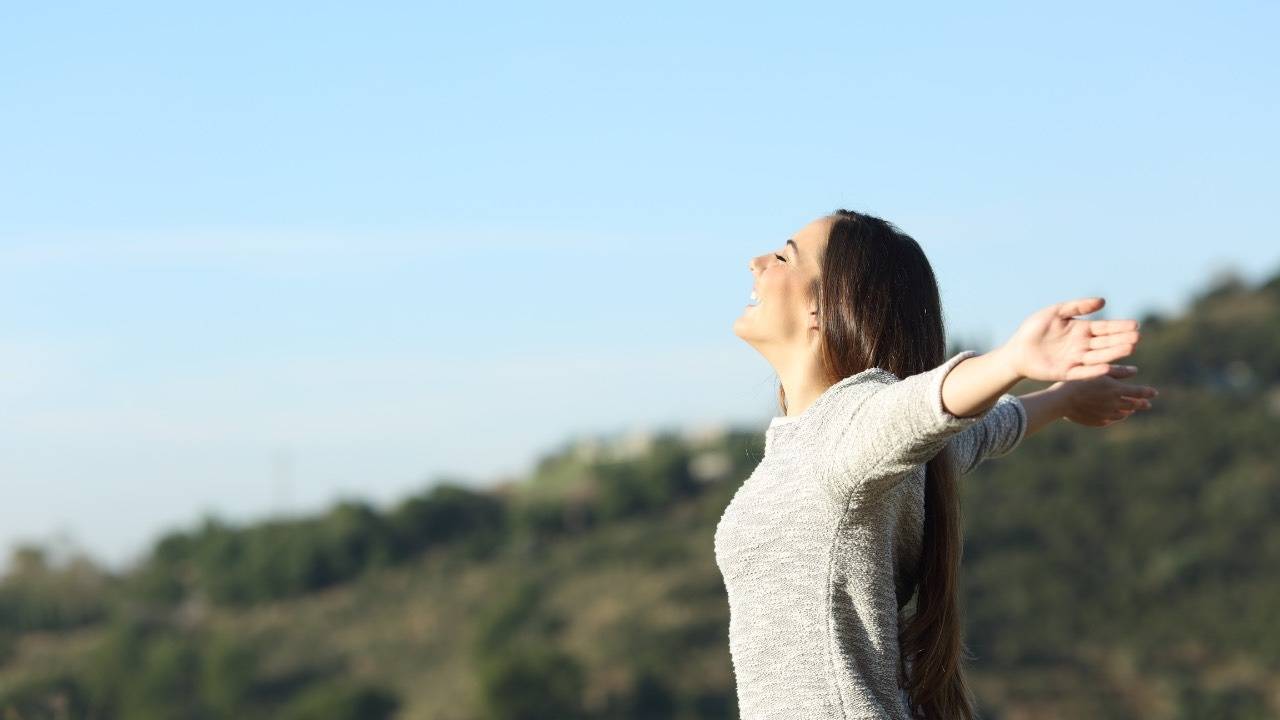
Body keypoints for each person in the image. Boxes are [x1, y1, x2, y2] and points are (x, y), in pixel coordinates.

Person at [715, 209, 1159, 720]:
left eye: (782, 256)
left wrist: (1013, 360)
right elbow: (973, 434)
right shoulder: (839, 445)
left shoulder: (850, 425)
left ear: (824, 304)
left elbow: (925, 405)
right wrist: (1062, 399)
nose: (756, 263)